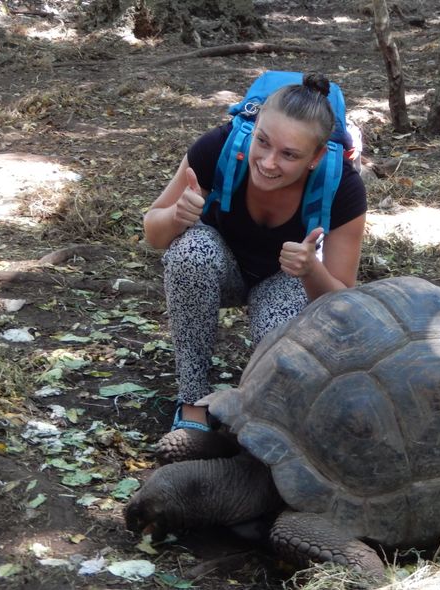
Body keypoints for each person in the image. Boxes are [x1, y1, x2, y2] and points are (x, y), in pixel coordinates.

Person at [143, 73, 367, 460]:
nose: (268, 162)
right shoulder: (218, 148)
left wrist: (310, 269)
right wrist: (178, 216)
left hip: (287, 280)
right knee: (189, 251)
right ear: (255, 125)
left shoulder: (343, 187)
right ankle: (193, 403)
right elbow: (153, 233)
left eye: (289, 154)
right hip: (220, 268)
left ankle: (263, 424)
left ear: (316, 157)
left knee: (278, 340)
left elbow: (342, 302)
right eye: (262, 141)